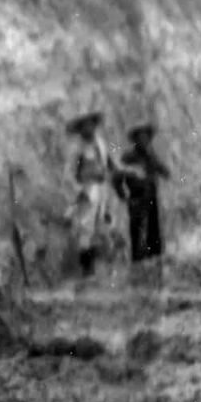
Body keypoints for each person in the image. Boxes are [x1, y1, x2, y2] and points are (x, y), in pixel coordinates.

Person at [66, 109, 116, 277]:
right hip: (87, 191)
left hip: (102, 190)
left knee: (101, 227)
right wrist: (79, 190)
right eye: (85, 126)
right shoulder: (77, 149)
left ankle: (100, 267)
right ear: (81, 128)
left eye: (91, 124)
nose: (89, 128)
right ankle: (87, 269)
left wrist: (114, 174)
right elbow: (71, 174)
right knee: (85, 230)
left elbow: (108, 163)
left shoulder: (100, 143)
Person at [117, 122, 171, 264]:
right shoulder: (128, 157)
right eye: (140, 137)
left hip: (151, 197)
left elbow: (165, 172)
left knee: (154, 231)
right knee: (137, 233)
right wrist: (123, 195)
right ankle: (138, 265)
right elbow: (117, 177)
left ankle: (156, 261)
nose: (144, 140)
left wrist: (157, 164)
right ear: (135, 140)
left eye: (146, 137)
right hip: (136, 198)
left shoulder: (150, 155)